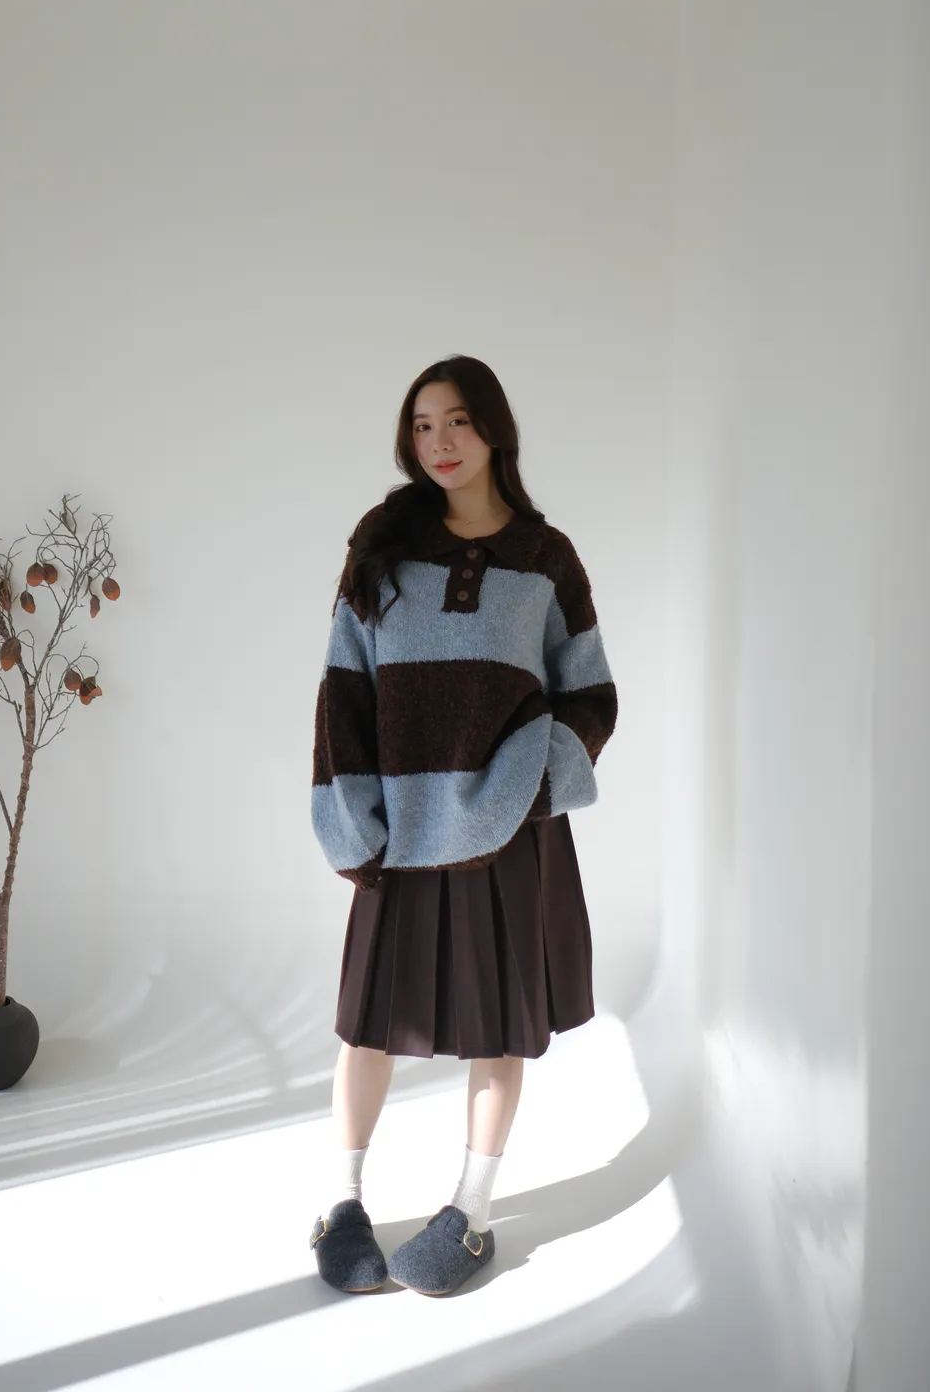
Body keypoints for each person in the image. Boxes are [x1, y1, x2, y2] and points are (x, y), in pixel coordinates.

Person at [308, 353, 618, 1297]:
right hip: (404, 831)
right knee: (366, 1027)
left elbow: (591, 695)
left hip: (507, 833)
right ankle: (341, 1203)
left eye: (456, 421)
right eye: (422, 425)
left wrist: (533, 784)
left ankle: (472, 1213)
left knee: (498, 1031)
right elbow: (344, 688)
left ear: (493, 431)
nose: (438, 442)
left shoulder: (546, 558)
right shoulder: (382, 546)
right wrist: (352, 817)